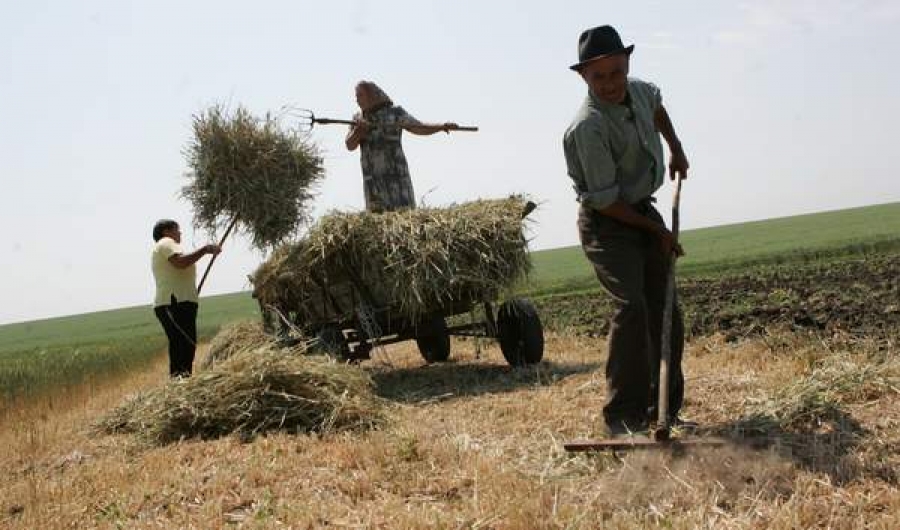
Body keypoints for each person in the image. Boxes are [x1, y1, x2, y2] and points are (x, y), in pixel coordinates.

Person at [562, 25, 691, 437]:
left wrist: (675, 147)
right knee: (633, 307)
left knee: (665, 307)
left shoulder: (638, 90)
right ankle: (621, 418)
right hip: (606, 221)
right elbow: (606, 201)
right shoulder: (588, 127)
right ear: (583, 77)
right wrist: (657, 233)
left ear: (627, 64)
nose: (611, 83)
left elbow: (656, 105)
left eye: (616, 72)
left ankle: (663, 410)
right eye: (599, 76)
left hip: (640, 210)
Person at [345, 81, 458, 212]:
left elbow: (418, 127)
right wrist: (358, 132)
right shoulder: (358, 119)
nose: (357, 100)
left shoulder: (395, 113)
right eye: (356, 96)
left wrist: (441, 127)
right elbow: (350, 144)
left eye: (360, 95)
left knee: (402, 213)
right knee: (378, 218)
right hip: (373, 181)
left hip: (396, 177)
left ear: (372, 95)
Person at [150, 219, 221, 377]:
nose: (180, 233)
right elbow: (180, 263)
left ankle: (182, 382)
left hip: (180, 302)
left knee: (185, 344)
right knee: (183, 344)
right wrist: (205, 249)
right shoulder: (166, 242)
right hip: (173, 302)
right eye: (177, 229)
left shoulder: (166, 246)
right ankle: (179, 382)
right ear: (166, 232)